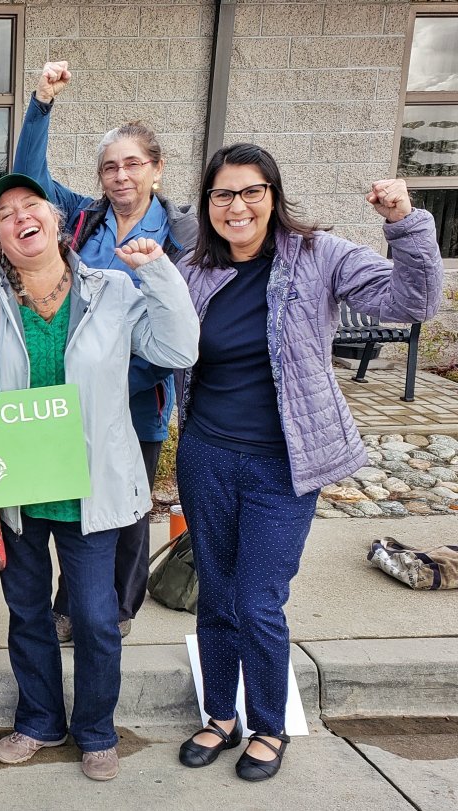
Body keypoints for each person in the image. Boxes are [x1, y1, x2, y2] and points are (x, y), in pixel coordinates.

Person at [174, 144, 443, 782]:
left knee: (257, 597)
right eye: (222, 195)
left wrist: (405, 223)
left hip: (284, 463)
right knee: (214, 591)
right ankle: (219, 714)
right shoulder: (194, 269)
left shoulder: (318, 255)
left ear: (273, 195)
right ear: (208, 204)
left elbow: (413, 303)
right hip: (206, 454)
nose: (236, 206)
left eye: (250, 192)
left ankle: (269, 723)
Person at [0, 174, 199, 782]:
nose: (20, 217)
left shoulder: (113, 290)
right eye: (5, 213)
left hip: (92, 488)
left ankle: (97, 730)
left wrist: (158, 270)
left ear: (55, 221)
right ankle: (39, 721)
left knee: (97, 618)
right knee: (27, 614)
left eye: (32, 207)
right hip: (18, 488)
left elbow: (181, 350)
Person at [14, 61, 199, 641]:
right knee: (73, 502)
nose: (120, 176)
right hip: (69, 394)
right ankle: (70, 607)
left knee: (123, 514)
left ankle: (115, 611)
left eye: (133, 164)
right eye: (110, 167)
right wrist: (41, 104)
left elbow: (173, 330)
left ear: (157, 168)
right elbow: (28, 176)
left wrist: (116, 380)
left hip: (135, 399)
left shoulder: (182, 235)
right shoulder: (85, 220)